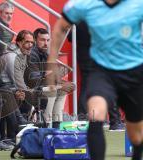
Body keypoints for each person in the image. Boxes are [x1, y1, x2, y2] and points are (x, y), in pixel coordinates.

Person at [48, 0, 143, 160]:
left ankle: (138, 153)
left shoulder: (138, 4)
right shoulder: (83, 4)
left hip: (133, 71)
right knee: (96, 114)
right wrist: (51, 62)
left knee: (136, 135)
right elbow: (60, 27)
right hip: (101, 71)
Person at [68, 22, 124, 130]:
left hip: (85, 58)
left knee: (86, 88)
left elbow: (70, 37)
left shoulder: (79, 20)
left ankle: (82, 120)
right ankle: (115, 121)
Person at [29, 28, 74, 128]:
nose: (46, 43)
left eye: (48, 40)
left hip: (44, 86)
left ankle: (56, 127)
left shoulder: (45, 54)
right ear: (35, 40)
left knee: (65, 88)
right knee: (52, 89)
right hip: (32, 88)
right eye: (42, 40)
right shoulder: (32, 54)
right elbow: (33, 79)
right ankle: (46, 124)